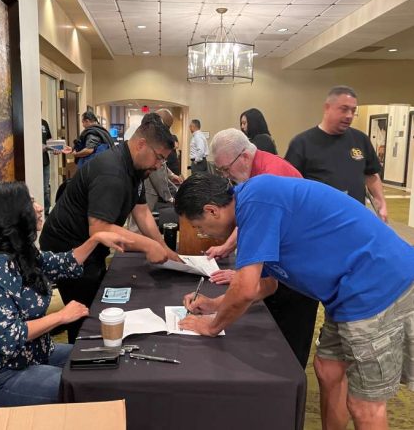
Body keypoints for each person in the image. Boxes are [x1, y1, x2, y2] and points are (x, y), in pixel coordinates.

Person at [175, 173, 414, 430]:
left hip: (377, 285)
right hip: (346, 291)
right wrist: (214, 305)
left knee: (364, 405)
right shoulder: (252, 206)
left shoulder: (257, 201)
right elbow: (267, 284)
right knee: (328, 369)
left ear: (211, 211)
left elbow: (245, 289)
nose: (202, 233)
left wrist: (211, 326)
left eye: (199, 227)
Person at [0, 182, 131, 407]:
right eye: (31, 202)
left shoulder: (21, 253)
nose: (40, 208)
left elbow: (63, 263)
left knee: (106, 363)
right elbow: (7, 337)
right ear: (13, 214)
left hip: (32, 353)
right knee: (90, 387)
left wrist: (95, 239)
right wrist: (61, 316)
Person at [40, 115, 180, 342]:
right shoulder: (111, 171)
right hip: (69, 249)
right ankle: (81, 360)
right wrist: (149, 245)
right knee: (87, 316)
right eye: (158, 158)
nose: (158, 166)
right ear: (141, 144)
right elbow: (99, 230)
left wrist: (164, 248)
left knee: (99, 304)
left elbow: (142, 211)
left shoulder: (136, 168)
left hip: (90, 247)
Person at [205, 129, 314, 369]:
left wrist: (246, 275)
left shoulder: (269, 178)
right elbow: (250, 220)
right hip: (288, 263)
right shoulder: (255, 171)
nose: (227, 176)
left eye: (225, 169)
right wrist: (229, 246)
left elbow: (259, 224)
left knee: (289, 348)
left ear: (243, 157)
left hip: (302, 270)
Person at [285, 85, 388, 222]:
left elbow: (371, 174)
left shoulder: (360, 139)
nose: (349, 116)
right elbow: (290, 186)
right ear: (327, 108)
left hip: (355, 218)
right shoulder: (302, 143)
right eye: (344, 109)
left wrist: (381, 202)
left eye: (353, 110)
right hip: (318, 221)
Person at [41, 118, 52, 217]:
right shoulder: (27, 120)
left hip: (45, 161)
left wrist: (55, 147)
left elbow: (49, 139)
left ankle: (46, 212)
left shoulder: (44, 123)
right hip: (33, 161)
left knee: (45, 189)